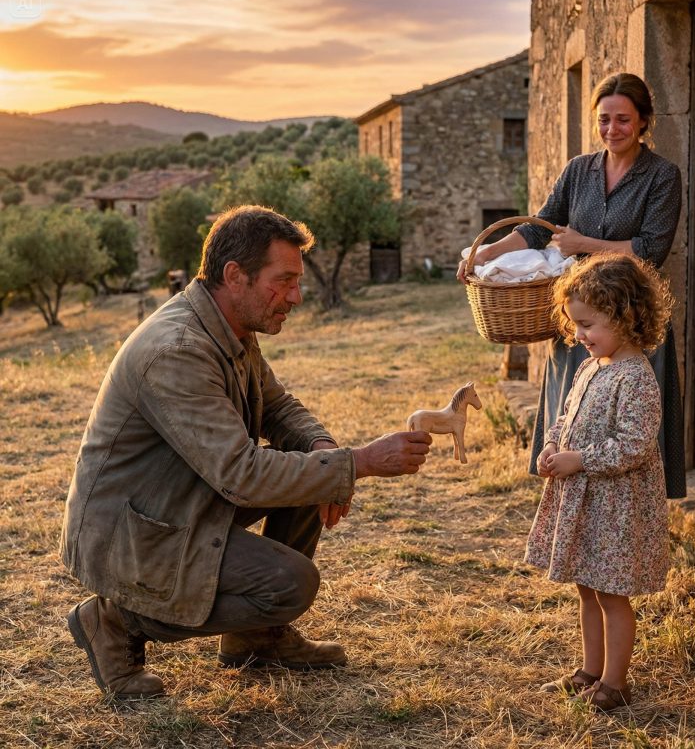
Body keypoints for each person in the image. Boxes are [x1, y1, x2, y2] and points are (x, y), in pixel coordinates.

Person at [60, 205, 432, 699]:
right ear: (235, 276)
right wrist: (357, 463)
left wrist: (323, 451)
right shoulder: (177, 350)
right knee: (290, 584)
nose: (296, 296)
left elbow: (278, 408)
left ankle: (257, 639)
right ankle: (114, 621)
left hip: (180, 499)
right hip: (133, 530)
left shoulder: (227, 328)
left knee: (310, 475)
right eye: (284, 281)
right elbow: (241, 474)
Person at [457, 72, 685, 499]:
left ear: (642, 122)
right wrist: (485, 253)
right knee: (572, 411)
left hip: (631, 319)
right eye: (603, 120)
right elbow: (538, 229)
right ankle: (568, 499)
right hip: (578, 315)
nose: (611, 130)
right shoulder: (579, 170)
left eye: (622, 120)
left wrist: (583, 244)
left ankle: (634, 509)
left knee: (627, 425)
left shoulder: (662, 176)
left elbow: (651, 249)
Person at [525, 252, 673, 712]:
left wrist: (579, 460)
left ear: (625, 316)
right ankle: (590, 670)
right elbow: (565, 417)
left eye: (587, 324)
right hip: (586, 503)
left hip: (616, 508)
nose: (579, 335)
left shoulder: (636, 379)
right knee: (586, 586)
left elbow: (634, 446)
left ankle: (615, 683)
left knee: (611, 594)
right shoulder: (592, 366)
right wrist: (552, 447)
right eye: (574, 325)